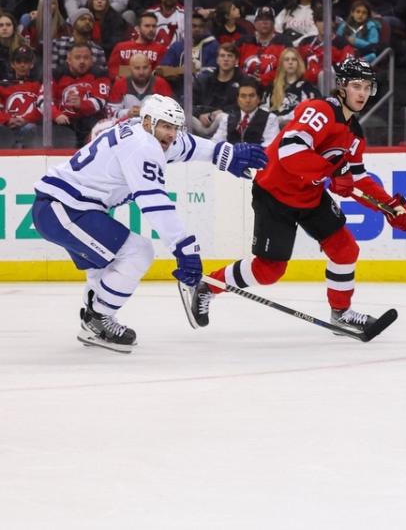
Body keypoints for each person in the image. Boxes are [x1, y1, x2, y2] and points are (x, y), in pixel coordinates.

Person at [184, 57, 406, 336]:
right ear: (341, 87)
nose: (362, 94)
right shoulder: (319, 111)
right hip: (275, 193)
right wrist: (331, 173)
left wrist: (389, 206)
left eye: (367, 87)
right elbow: (290, 152)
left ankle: (340, 313)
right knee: (269, 271)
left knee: (345, 248)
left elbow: (356, 179)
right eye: (356, 86)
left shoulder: (355, 132)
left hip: (310, 194)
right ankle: (207, 285)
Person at [30, 94, 269, 352]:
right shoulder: (143, 146)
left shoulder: (148, 132)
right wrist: (183, 247)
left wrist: (224, 153)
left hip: (70, 207)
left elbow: (186, 145)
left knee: (106, 266)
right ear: (147, 122)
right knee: (137, 252)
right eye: (167, 126)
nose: (172, 134)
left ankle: (94, 315)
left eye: (174, 127)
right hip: (64, 208)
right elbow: (154, 202)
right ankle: (98, 321)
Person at [262, 47, 321, 127]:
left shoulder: (308, 88)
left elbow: (312, 112)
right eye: (287, 59)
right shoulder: (272, 87)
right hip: (273, 130)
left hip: (297, 129)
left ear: (298, 62)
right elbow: (263, 111)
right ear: (281, 63)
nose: (290, 62)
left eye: (294, 59)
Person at [212, 77, 279, 146]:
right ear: (237, 99)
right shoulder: (227, 118)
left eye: (252, 96)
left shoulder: (270, 119)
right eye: (243, 96)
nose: (247, 100)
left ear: (259, 98)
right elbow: (216, 142)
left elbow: (271, 145)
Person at [106, 52, 174, 120]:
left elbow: (172, 111)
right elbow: (110, 113)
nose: (141, 72)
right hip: (126, 126)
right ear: (130, 69)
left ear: (150, 68)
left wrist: (148, 112)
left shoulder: (161, 84)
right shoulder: (120, 84)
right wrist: (128, 113)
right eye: (137, 68)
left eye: (145, 68)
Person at [0, 45, 42, 148]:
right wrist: (7, 120)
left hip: (29, 127)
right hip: (7, 127)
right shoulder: (3, 86)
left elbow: (41, 108)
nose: (22, 65)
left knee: (30, 128)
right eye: (18, 62)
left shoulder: (38, 86)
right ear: (12, 64)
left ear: (31, 64)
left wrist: (26, 119)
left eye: (26, 62)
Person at [107, 12, 167, 77]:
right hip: (125, 84)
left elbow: (159, 74)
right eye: (147, 26)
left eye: (154, 26)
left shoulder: (161, 49)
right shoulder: (121, 47)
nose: (151, 29)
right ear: (137, 28)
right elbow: (112, 70)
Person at [52, 8, 108, 72]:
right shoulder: (58, 44)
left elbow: (102, 76)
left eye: (90, 20)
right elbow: (51, 72)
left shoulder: (98, 50)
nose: (87, 22)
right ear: (74, 23)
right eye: (83, 19)